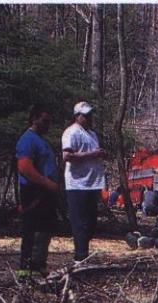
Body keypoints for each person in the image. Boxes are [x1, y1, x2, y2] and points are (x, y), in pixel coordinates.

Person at [15, 105, 59, 278]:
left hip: (45, 193)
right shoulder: (27, 140)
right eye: (44, 121)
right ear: (34, 119)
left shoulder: (41, 141)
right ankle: (27, 270)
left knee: (45, 230)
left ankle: (39, 266)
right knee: (32, 231)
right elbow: (25, 167)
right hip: (34, 192)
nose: (47, 125)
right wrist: (47, 183)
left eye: (49, 121)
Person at [61, 101, 105, 263]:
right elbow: (67, 156)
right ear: (77, 116)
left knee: (91, 222)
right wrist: (92, 154)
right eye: (85, 115)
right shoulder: (71, 132)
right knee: (79, 222)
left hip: (92, 183)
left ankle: (84, 254)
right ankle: (80, 258)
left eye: (90, 114)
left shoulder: (92, 134)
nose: (89, 118)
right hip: (77, 184)